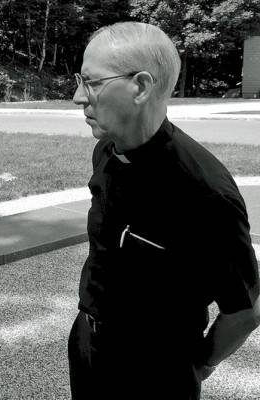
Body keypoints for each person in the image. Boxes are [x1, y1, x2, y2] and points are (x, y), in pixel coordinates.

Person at [68, 21, 260, 400]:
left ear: (140, 86)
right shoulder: (105, 152)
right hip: (87, 343)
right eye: (79, 79)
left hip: (156, 370)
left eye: (92, 83)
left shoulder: (205, 193)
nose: (77, 96)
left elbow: (245, 311)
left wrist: (198, 365)